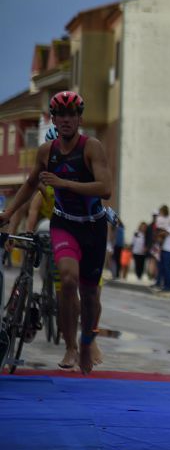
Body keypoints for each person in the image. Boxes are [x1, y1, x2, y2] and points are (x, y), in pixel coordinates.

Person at [0, 90, 113, 374]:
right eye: (60, 114)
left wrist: (64, 183)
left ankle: (87, 342)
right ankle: (70, 346)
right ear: (54, 119)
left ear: (79, 118)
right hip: (64, 224)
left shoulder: (92, 147)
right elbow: (29, 184)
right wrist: (8, 213)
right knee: (67, 279)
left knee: (90, 295)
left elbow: (105, 189)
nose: (65, 119)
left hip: (93, 226)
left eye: (71, 114)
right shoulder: (45, 152)